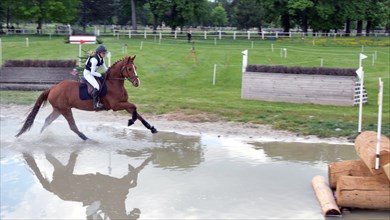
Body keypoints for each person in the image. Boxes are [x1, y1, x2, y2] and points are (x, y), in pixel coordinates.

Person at [83, 45, 108, 110]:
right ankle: (95, 104)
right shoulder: (94, 60)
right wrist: (100, 75)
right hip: (88, 74)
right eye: (103, 53)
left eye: (105, 53)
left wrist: (111, 72)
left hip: (93, 73)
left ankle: (100, 101)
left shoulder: (101, 59)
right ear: (99, 53)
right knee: (96, 86)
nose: (104, 54)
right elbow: (92, 72)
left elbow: (105, 68)